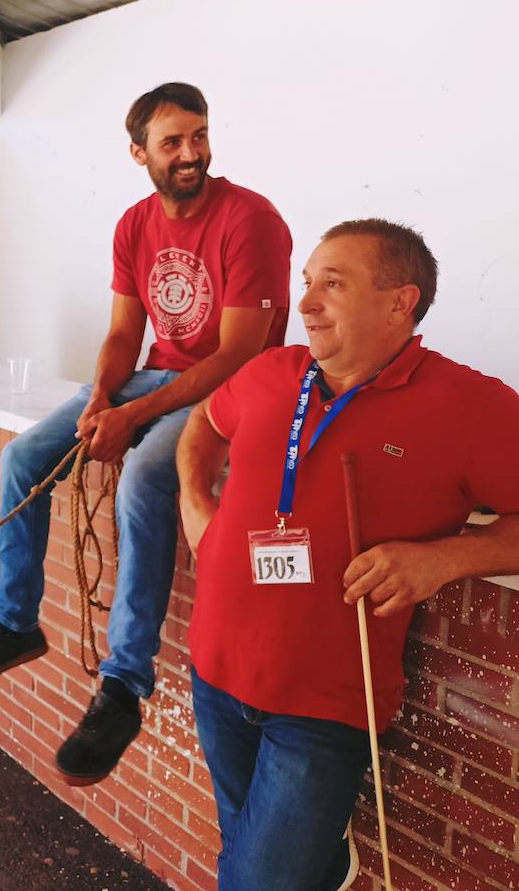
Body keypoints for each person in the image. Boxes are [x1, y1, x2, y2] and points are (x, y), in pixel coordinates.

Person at [0, 82, 293, 787]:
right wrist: (103, 397)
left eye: (199, 136)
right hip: (154, 377)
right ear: (139, 153)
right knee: (24, 457)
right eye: (173, 142)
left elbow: (238, 355)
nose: (191, 153)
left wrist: (131, 418)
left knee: (142, 480)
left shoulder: (250, 219)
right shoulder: (135, 224)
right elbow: (123, 333)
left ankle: (123, 685)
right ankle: (16, 624)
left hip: (232, 390)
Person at [176, 219, 519, 890]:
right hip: (215, 671)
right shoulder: (271, 372)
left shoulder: (469, 405)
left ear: (400, 302)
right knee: (246, 854)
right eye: (307, 282)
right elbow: (203, 423)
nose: (304, 302)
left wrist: (444, 559)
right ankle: (322, 859)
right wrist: (195, 500)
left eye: (331, 284)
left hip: (323, 704)